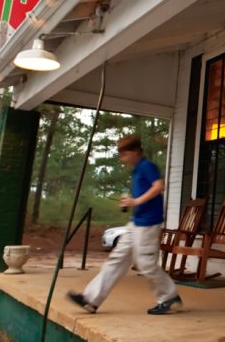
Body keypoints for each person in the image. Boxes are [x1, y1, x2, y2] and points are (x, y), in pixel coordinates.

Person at [67, 135, 182, 315]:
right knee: (117, 259)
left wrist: (135, 201)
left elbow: (159, 186)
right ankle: (91, 300)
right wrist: (130, 202)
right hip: (135, 222)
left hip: (148, 223)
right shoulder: (137, 170)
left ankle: (169, 298)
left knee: (145, 264)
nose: (122, 158)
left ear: (135, 151)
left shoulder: (146, 166)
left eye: (124, 154)